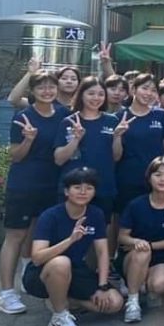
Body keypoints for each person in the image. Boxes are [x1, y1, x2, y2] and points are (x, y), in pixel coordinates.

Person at [0, 70, 70, 316]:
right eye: (41, 87)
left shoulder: (63, 114)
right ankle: (6, 293)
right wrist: (28, 140)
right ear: (33, 91)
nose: (47, 91)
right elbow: (15, 156)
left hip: (52, 184)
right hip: (24, 184)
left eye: (51, 87)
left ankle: (29, 279)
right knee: (15, 235)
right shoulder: (23, 116)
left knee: (38, 233)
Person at [21, 167, 125, 326]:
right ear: (66, 191)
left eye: (89, 188)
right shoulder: (50, 216)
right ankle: (59, 317)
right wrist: (70, 240)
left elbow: (102, 252)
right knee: (62, 262)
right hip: (42, 272)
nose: (83, 192)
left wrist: (102, 286)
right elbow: (38, 257)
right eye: (77, 187)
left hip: (76, 270)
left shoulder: (95, 214)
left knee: (114, 303)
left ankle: (63, 299)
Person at [117, 157, 164, 323]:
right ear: (149, 178)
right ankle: (133, 301)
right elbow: (122, 236)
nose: (163, 179)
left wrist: (148, 245)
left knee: (158, 284)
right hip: (133, 255)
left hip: (161, 258)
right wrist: (137, 243)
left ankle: (145, 288)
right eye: (158, 174)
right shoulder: (136, 205)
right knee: (142, 253)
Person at [53, 76, 122, 226]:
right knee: (69, 230)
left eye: (100, 94)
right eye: (91, 93)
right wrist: (76, 139)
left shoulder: (112, 121)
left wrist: (117, 137)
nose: (96, 98)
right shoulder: (69, 122)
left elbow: (116, 156)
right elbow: (58, 159)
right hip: (74, 187)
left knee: (100, 231)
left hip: (103, 186)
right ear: (81, 94)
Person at [114, 74, 164, 214]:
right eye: (145, 88)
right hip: (128, 179)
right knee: (125, 219)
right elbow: (115, 156)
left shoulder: (162, 116)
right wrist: (117, 135)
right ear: (133, 90)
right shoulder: (119, 116)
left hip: (156, 180)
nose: (149, 93)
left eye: (153, 90)